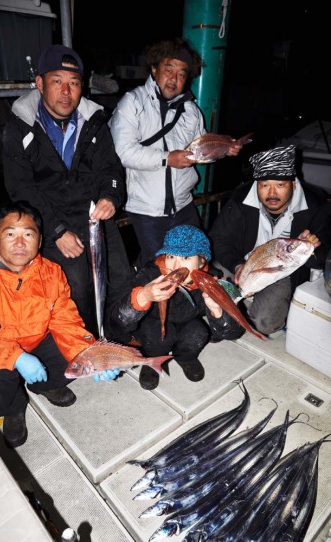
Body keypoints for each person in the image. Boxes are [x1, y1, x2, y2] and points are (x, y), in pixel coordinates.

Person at [2, 44, 133, 338]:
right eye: (57, 81)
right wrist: (58, 231)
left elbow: (111, 170)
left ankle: (122, 338)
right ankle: (84, 343)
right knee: (77, 286)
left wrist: (111, 196)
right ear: (39, 83)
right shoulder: (19, 126)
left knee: (123, 278)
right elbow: (20, 189)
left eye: (74, 83)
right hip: (49, 218)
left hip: (92, 214)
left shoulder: (95, 121)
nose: (66, 91)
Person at [0, 201, 120, 448]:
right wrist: (16, 357)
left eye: (28, 234)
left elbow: (66, 321)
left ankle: (44, 386)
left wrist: (95, 355)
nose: (20, 243)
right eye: (10, 234)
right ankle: (13, 408)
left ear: (39, 242)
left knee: (76, 361)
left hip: (37, 340)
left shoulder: (51, 272)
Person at [109, 37, 242, 269]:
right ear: (154, 68)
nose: (175, 79)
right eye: (168, 70)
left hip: (183, 205)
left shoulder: (191, 111)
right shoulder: (133, 102)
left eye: (182, 74)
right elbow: (124, 153)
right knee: (162, 268)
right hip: (147, 209)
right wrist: (167, 158)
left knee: (197, 263)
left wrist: (223, 149)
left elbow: (200, 151)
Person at [210, 144, 331, 336]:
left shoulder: (316, 206)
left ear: (294, 184)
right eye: (264, 185)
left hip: (282, 272)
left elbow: (323, 259)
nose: (272, 194)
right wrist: (238, 266)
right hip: (243, 260)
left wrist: (309, 249)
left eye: (280, 185)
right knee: (209, 289)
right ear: (256, 184)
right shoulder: (241, 199)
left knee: (264, 324)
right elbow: (218, 239)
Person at [107, 225, 245, 390]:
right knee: (157, 337)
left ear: (202, 261)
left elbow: (233, 333)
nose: (175, 265)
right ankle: (152, 360)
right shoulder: (150, 275)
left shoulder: (211, 281)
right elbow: (115, 323)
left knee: (199, 333)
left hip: (187, 320)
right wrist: (143, 296)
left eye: (186, 257)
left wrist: (218, 311)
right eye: (171, 256)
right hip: (154, 323)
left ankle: (186, 358)